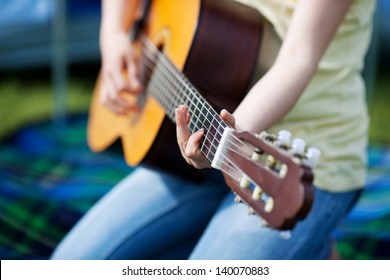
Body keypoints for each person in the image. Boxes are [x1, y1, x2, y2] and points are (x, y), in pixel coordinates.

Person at [51, 0, 376, 260]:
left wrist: (225, 139)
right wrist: (114, 35)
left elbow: (298, 58)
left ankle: (312, 248)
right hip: (198, 135)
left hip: (294, 166)